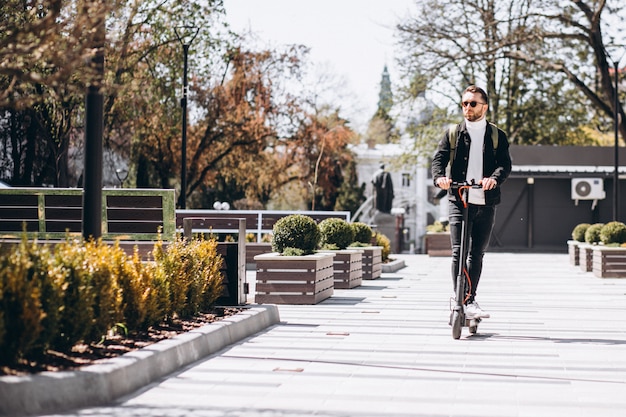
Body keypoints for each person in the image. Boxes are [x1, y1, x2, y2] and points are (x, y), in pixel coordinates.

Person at [431, 85, 512, 319]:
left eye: (473, 103)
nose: (468, 107)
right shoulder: (452, 133)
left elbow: (504, 165)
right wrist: (440, 178)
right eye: (464, 103)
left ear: (484, 107)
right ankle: (460, 298)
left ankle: (471, 299)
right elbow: (439, 159)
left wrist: (493, 179)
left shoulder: (497, 135)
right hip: (459, 199)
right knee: (458, 251)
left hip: (485, 202)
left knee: (476, 253)